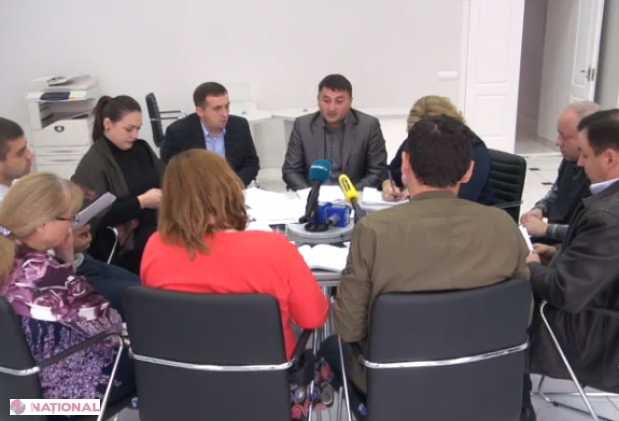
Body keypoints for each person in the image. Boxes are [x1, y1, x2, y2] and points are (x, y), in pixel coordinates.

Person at [320, 115, 531, 420]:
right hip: (485, 381)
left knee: (331, 346)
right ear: (469, 170)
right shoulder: (504, 226)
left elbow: (349, 327)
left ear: (405, 164)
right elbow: (520, 314)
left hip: (398, 384)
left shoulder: (374, 231)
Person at [0, 173, 134, 415]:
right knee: (151, 362)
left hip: (14, 400)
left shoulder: (10, 259)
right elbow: (110, 326)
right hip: (62, 403)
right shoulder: (48, 276)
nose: (73, 224)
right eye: (69, 217)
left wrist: (65, 259)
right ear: (42, 224)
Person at [522, 109, 619, 421]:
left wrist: (531, 266)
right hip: (601, 311)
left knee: (502, 306)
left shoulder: (607, 216)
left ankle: (517, 406)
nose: (579, 163)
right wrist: (558, 253)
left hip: (597, 334)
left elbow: (566, 293)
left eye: (586, 155)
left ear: (609, 158)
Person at [0, 117, 139, 316]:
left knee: (145, 285)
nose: (30, 155)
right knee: (143, 299)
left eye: (27, 147)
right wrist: (65, 247)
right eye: (21, 153)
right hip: (61, 275)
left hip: (75, 261)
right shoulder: (8, 208)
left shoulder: (18, 188)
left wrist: (67, 245)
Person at [72, 95, 165, 275]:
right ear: (108, 124)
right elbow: (95, 216)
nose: (135, 135)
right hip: (124, 241)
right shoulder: (94, 163)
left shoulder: (141, 148)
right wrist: (141, 202)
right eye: (129, 129)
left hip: (156, 224)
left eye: (138, 128)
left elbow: (166, 178)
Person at [381, 96, 495, 205]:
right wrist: (387, 183)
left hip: (468, 214)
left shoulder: (475, 151)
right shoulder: (416, 140)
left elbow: (460, 199)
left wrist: (417, 192)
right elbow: (390, 170)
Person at [282, 74, 387, 190]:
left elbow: (378, 172)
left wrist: (349, 194)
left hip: (353, 195)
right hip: (312, 194)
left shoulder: (368, 126)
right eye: (326, 100)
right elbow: (291, 170)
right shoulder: (303, 126)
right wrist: (310, 194)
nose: (331, 108)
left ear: (350, 101)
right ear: (318, 100)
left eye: (339, 101)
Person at [520, 101, 601, 242]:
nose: (557, 142)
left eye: (565, 137)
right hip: (557, 241)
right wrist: (539, 209)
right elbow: (555, 195)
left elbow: (594, 234)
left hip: (576, 246)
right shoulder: (569, 159)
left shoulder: (601, 176)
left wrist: (546, 229)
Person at [160, 82, 260, 186]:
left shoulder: (239, 126)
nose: (225, 114)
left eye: (226, 106)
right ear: (200, 111)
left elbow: (251, 163)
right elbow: (169, 173)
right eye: (217, 109)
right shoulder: (178, 133)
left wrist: (232, 185)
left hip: (233, 189)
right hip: (196, 192)